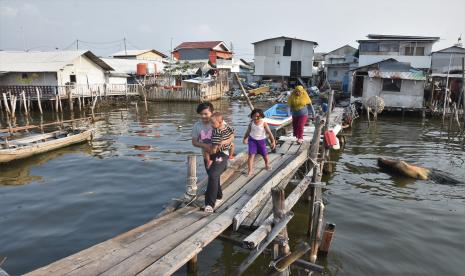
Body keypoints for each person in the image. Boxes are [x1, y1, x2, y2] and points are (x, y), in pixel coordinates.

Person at [204, 112, 235, 213]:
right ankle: (218, 196)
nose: (211, 125)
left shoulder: (220, 129)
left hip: (221, 154)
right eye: (211, 123)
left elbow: (232, 135)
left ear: (220, 121)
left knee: (213, 175)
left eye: (213, 123)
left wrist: (224, 143)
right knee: (213, 175)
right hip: (213, 153)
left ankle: (209, 204)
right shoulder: (218, 127)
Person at [243, 109, 276, 176]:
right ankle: (250, 171)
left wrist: (273, 141)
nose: (255, 118)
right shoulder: (251, 124)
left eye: (257, 116)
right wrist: (245, 138)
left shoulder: (264, 123)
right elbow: (248, 132)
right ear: (252, 116)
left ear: (261, 116)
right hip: (252, 140)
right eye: (254, 116)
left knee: (264, 154)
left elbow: (269, 133)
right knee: (251, 155)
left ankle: (267, 164)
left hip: (261, 140)